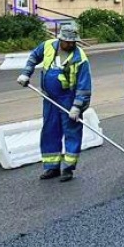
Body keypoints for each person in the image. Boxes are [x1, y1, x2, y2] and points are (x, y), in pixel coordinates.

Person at [17, 24, 92, 182]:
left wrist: (77, 106)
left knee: (72, 132)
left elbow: (84, 86)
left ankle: (68, 168)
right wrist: (26, 74)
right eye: (68, 42)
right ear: (60, 39)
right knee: (50, 131)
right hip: (50, 99)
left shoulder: (80, 58)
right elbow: (33, 57)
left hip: (69, 100)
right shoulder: (48, 46)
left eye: (74, 42)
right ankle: (51, 167)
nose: (71, 45)